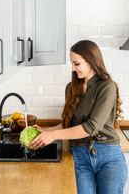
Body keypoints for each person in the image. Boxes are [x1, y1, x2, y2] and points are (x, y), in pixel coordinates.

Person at [30, 40, 128, 194]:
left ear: (92, 61)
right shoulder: (71, 88)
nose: (73, 68)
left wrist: (53, 136)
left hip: (108, 157)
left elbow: (91, 128)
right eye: (72, 63)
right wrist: (46, 132)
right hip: (80, 156)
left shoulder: (106, 87)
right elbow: (69, 124)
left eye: (77, 64)